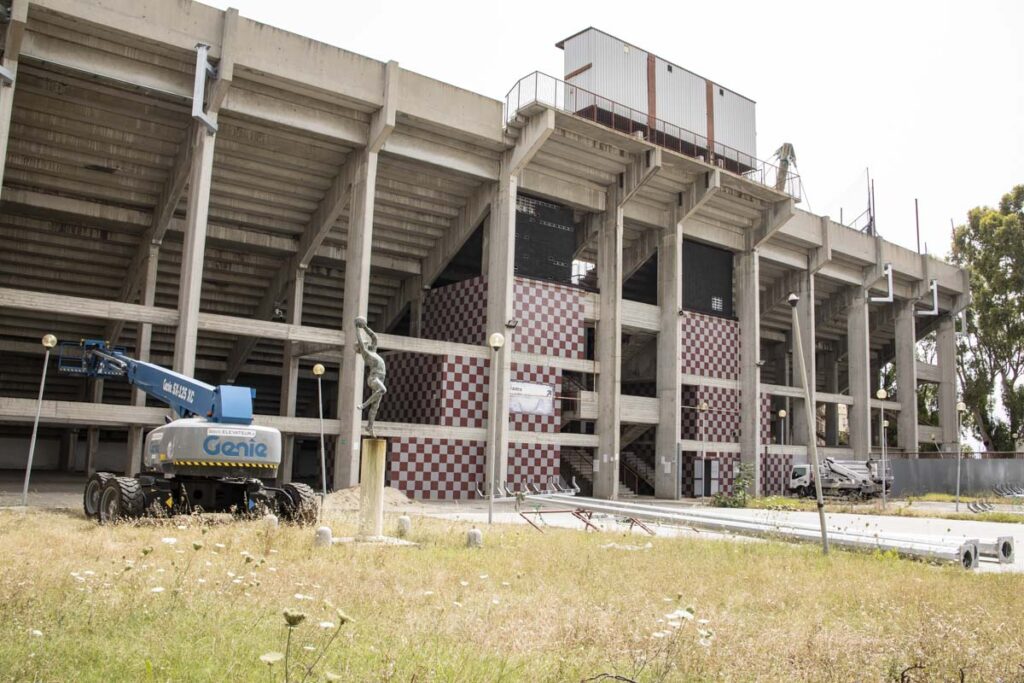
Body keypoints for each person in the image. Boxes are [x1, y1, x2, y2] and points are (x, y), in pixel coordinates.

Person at [354, 316, 387, 437]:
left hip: (381, 378)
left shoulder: (373, 350)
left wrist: (365, 327)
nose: (366, 343)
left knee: (376, 406)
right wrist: (357, 328)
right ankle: (363, 405)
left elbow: (374, 337)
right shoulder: (366, 354)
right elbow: (362, 344)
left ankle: (369, 427)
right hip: (374, 378)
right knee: (383, 390)